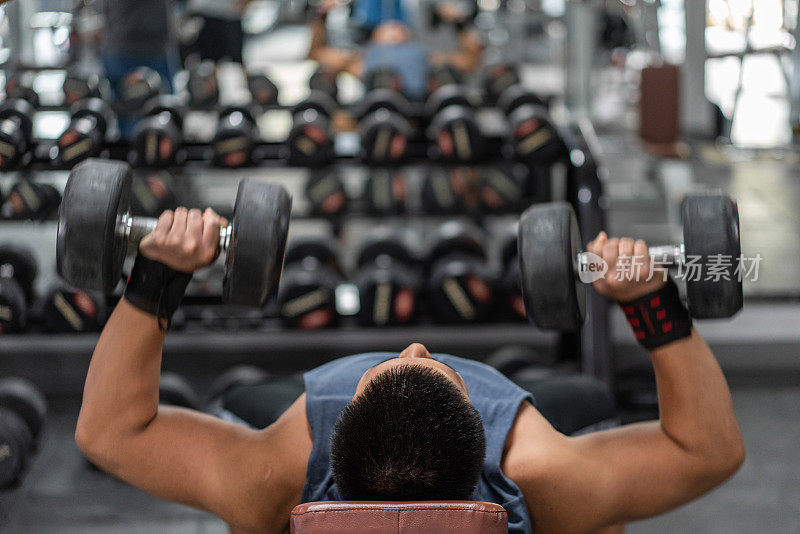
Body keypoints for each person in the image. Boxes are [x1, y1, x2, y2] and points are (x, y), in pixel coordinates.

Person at [75, 206, 745, 534]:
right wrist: (651, 299)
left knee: (248, 399)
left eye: (392, 365)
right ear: (486, 443)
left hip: (277, 433)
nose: (415, 348)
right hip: (551, 460)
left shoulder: (276, 466)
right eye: (435, 366)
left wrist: (157, 273)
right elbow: (707, 450)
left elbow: (111, 432)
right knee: (587, 404)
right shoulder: (541, 470)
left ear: (334, 431)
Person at [308, 0, 483, 99]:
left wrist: (461, 24)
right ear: (375, 35)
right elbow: (315, 54)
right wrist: (321, 17)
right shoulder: (361, 59)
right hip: (379, 115)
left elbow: (471, 61)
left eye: (398, 26)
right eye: (385, 27)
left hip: (418, 115)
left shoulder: (425, 56)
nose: (392, 27)